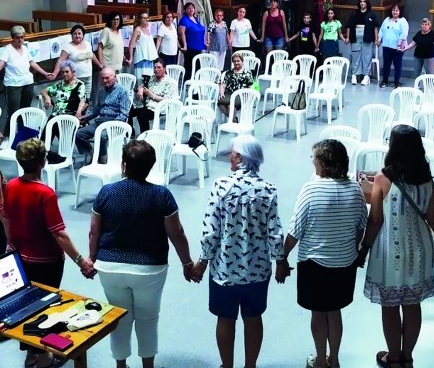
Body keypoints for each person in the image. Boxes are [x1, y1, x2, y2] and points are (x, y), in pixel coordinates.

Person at [356, 125, 434, 368]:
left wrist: (363, 248)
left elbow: (376, 220)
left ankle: (393, 357)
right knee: (412, 306)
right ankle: (407, 357)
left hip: (389, 251)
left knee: (390, 306)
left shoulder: (383, 179)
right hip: (419, 250)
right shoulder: (426, 180)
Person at [89, 140, 195, 368]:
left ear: (124, 166)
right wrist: (187, 263)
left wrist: (91, 258)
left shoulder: (106, 192)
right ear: (151, 166)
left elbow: (93, 231)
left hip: (110, 267)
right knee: (148, 318)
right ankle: (148, 365)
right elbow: (176, 233)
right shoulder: (161, 195)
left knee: (118, 317)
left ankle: (120, 365)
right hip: (150, 269)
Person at [191, 135, 285, 368]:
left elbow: (211, 231)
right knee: (253, 318)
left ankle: (227, 366)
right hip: (258, 270)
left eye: (232, 153)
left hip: (225, 271)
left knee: (226, 319)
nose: (229, 157)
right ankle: (250, 366)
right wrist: (280, 261)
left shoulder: (221, 186)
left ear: (240, 157)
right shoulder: (268, 189)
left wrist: (202, 263)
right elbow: (274, 231)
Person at [2, 138, 94, 368]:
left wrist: (11, 244)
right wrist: (81, 261)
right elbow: (59, 234)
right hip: (47, 261)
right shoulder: (45, 193)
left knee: (25, 306)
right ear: (43, 161)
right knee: (43, 308)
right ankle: (44, 358)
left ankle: (30, 354)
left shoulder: (11, 185)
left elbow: (6, 218)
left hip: (22, 257)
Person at [277, 140, 367, 368]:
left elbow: (295, 230)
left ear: (324, 163)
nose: (312, 161)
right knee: (334, 311)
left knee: (318, 313)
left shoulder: (311, 189)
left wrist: (282, 257)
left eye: (314, 158)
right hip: (344, 264)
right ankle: (334, 360)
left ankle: (319, 360)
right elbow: (360, 227)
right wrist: (352, 251)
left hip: (314, 264)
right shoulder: (356, 189)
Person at [0, 26, 53, 139]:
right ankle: (6, 136)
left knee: (25, 110)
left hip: (28, 83)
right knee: (13, 111)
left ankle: (21, 135)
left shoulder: (25, 48)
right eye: (17, 38)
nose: (20, 40)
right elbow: (1, 64)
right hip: (14, 85)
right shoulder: (7, 49)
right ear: (12, 38)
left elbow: (32, 63)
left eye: (22, 37)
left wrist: (45, 73)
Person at [75, 67, 129, 160]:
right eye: (103, 78)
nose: (104, 80)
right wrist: (87, 117)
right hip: (100, 121)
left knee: (101, 136)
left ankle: (102, 159)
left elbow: (123, 114)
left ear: (115, 77)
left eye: (107, 78)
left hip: (114, 122)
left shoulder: (122, 92)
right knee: (79, 134)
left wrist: (112, 125)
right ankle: (94, 154)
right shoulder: (101, 90)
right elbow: (97, 109)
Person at [51, 24, 103, 100]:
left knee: (87, 99)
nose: (77, 36)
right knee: (77, 99)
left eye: (79, 33)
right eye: (75, 34)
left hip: (88, 77)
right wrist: (55, 73)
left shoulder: (88, 44)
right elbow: (60, 61)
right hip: (76, 78)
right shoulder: (68, 47)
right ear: (71, 35)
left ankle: (85, 112)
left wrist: (99, 65)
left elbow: (92, 56)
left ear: (83, 35)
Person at [128, 58, 177, 134]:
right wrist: (141, 89)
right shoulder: (152, 78)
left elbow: (166, 100)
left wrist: (151, 95)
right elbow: (144, 85)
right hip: (147, 103)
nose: (156, 70)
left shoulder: (170, 82)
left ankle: (145, 137)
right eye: (154, 67)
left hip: (159, 106)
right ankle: (131, 132)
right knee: (129, 108)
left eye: (159, 67)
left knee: (141, 113)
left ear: (164, 68)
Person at [345, 0, 379, 85]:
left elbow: (375, 27)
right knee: (356, 56)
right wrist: (348, 37)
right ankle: (354, 75)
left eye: (364, 1)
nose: (362, 3)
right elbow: (349, 26)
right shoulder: (354, 13)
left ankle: (366, 76)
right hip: (356, 36)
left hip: (367, 37)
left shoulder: (371, 14)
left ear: (367, 3)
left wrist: (376, 39)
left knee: (367, 56)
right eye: (360, 1)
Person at [377, 4, 409, 88]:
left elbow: (404, 33)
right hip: (386, 46)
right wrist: (379, 39)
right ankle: (384, 81)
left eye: (397, 10)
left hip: (398, 47)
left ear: (400, 11)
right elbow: (382, 30)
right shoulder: (387, 19)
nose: (395, 12)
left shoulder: (402, 20)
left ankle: (397, 82)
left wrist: (399, 44)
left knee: (397, 65)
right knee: (386, 65)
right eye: (393, 10)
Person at [217, 52, 254, 119]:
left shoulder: (247, 73)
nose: (236, 63)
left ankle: (232, 122)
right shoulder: (228, 72)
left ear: (242, 61)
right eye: (234, 61)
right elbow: (223, 85)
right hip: (228, 93)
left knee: (230, 106)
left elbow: (251, 86)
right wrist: (221, 93)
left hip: (240, 94)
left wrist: (248, 96)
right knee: (220, 103)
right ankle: (234, 121)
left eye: (238, 61)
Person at [178, 1, 207, 80]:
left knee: (197, 67)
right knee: (190, 67)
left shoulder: (196, 19)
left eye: (192, 8)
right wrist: (185, 45)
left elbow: (200, 31)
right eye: (188, 8)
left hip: (199, 47)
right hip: (190, 47)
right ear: (185, 10)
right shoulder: (184, 20)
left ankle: (196, 86)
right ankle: (187, 85)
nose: (190, 10)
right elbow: (181, 33)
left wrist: (205, 43)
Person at [127, 10, 158, 83]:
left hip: (149, 57)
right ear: (140, 19)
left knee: (150, 79)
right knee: (141, 80)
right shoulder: (137, 29)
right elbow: (131, 44)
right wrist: (131, 58)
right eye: (144, 18)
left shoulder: (147, 28)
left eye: (147, 18)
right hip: (141, 58)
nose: (146, 20)